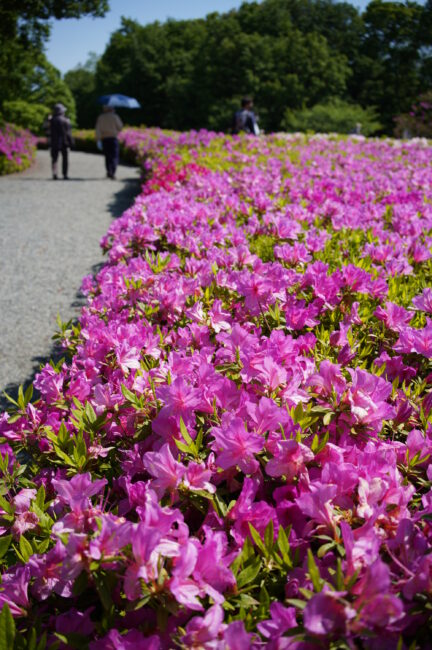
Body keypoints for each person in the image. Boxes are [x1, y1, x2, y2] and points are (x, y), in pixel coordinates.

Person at [95, 106, 123, 179]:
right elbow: (120, 127)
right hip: (113, 138)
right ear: (112, 109)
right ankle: (112, 172)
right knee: (114, 156)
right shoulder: (115, 117)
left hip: (104, 139)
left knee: (107, 156)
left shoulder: (101, 117)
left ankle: (109, 171)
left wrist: (98, 139)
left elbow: (98, 129)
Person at [50, 103, 73, 180]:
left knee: (54, 159)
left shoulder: (51, 120)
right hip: (64, 142)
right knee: (65, 159)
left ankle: (54, 173)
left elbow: (46, 130)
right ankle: (65, 174)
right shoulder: (66, 120)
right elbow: (68, 133)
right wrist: (71, 142)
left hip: (54, 142)